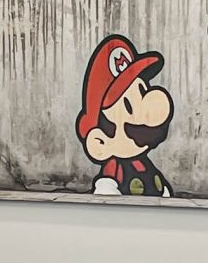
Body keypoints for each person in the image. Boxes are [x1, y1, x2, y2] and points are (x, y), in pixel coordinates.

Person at [73, 33, 175, 197]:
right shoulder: (114, 170)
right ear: (100, 141)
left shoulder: (144, 163)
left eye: (142, 91)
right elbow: (107, 195)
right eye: (129, 107)